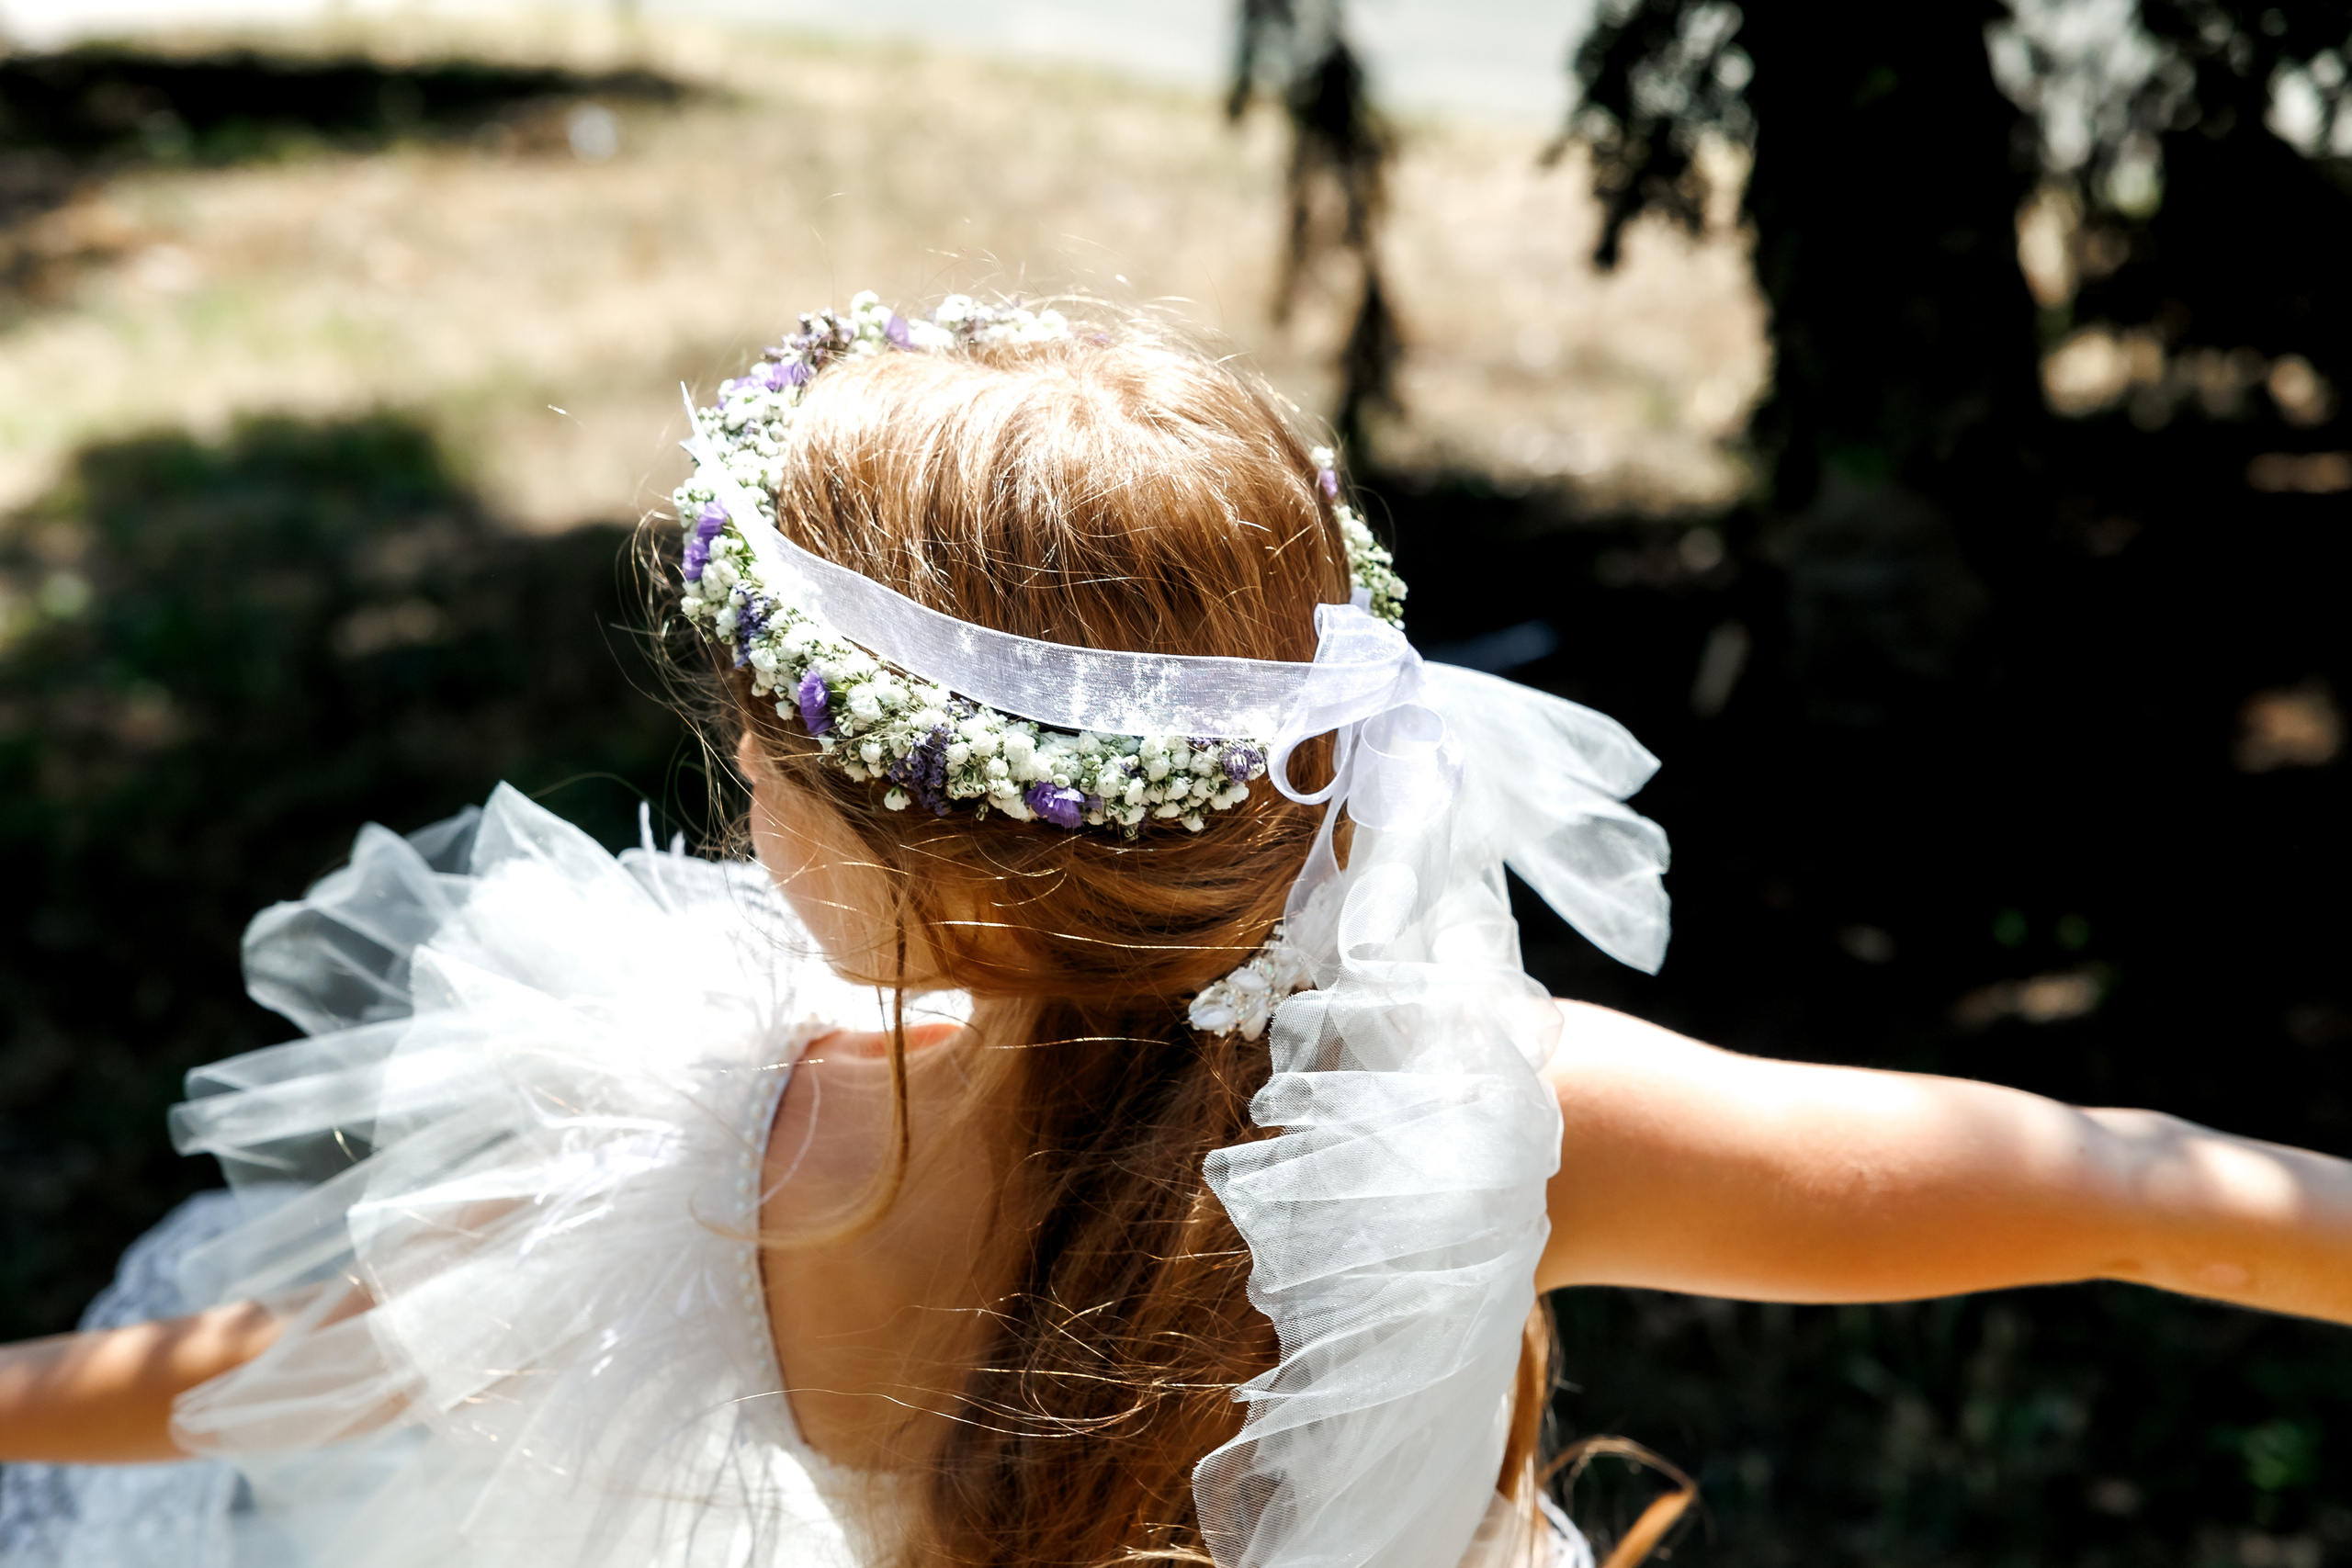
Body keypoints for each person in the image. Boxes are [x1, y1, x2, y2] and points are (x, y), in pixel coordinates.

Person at [1, 293, 2348, 1568]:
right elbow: (2119, 1187)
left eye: (763, 755)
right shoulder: (1503, 1128)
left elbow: (275, 1366)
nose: (740, 790)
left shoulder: (702, 1144)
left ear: (881, 848)